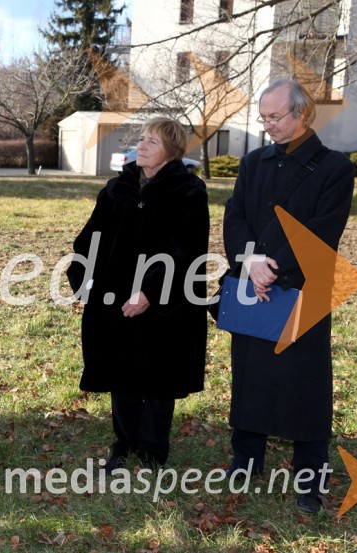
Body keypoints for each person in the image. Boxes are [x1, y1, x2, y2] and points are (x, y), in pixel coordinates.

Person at [222, 78, 354, 513]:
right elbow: (235, 215)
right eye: (263, 118)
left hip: (303, 289)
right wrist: (249, 262)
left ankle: (309, 477)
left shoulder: (335, 167)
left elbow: (321, 231)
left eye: (275, 117)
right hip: (252, 285)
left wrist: (269, 266)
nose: (268, 125)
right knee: (249, 377)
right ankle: (246, 461)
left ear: (301, 114)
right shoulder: (254, 162)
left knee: (306, 385)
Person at [68, 117, 209, 471]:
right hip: (114, 297)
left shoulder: (188, 192)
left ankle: (152, 452)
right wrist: (82, 278)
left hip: (165, 304)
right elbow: (90, 238)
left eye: (152, 142)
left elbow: (187, 250)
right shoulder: (118, 188)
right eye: (142, 139)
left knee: (159, 377)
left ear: (171, 152)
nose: (141, 146)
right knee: (121, 372)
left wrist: (151, 291)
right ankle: (124, 443)